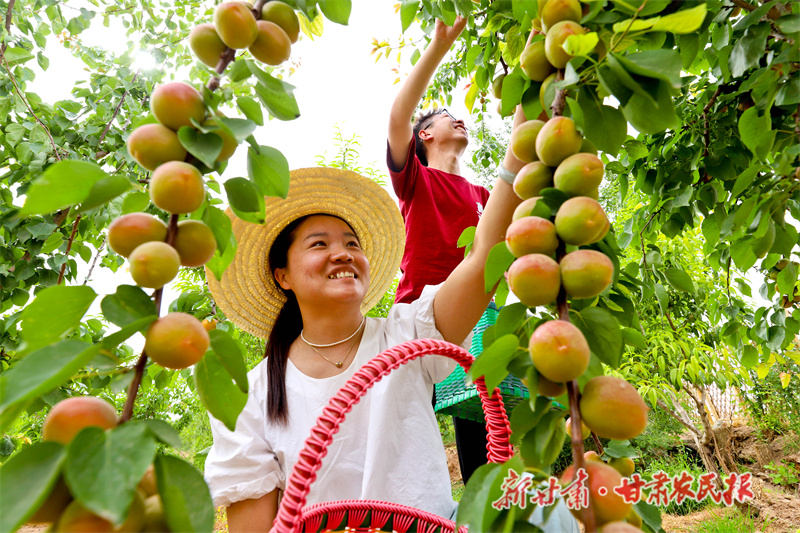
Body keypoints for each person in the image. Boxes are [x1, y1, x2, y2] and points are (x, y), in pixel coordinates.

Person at [203, 105, 527, 531]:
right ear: (282, 275)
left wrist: (527, 125)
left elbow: (484, 254)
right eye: (319, 244)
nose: (343, 254)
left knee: (547, 513)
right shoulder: (253, 395)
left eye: (352, 243)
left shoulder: (409, 334)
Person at [387, 15, 509, 484]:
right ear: (426, 136)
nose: (458, 117)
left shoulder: (484, 196)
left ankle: (482, 509)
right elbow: (398, 118)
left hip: (475, 318)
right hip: (420, 320)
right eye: (443, 117)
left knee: (482, 424)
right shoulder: (416, 182)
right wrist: (438, 47)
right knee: (406, 437)